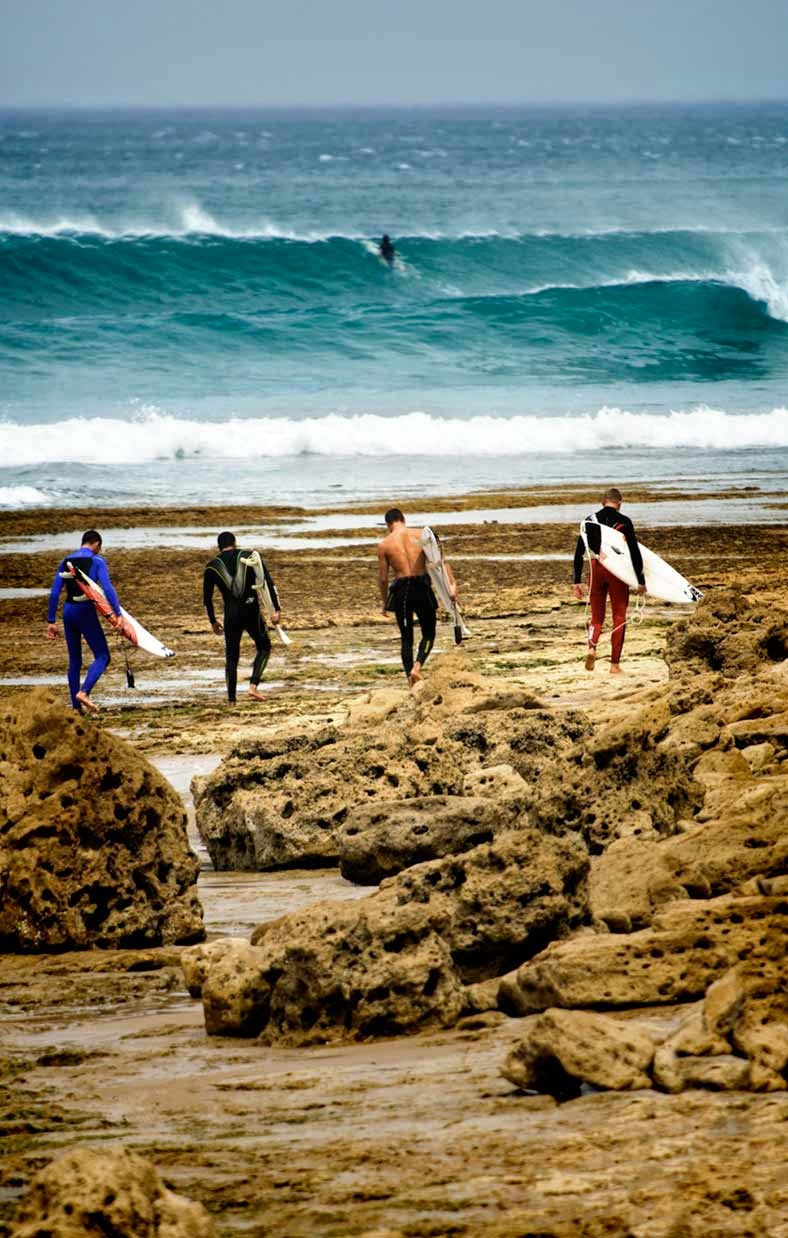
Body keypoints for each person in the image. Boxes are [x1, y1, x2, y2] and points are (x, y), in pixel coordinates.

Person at [377, 508, 456, 686]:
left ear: (388, 524)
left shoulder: (384, 545)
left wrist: (384, 603)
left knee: (406, 639)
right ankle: (417, 667)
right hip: (421, 586)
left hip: (402, 591)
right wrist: (452, 585)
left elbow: (383, 579)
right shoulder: (421, 534)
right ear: (403, 519)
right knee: (429, 633)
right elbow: (440, 561)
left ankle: (410, 680)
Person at [572, 487, 646, 675]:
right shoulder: (624, 521)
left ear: (602, 501)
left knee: (597, 618)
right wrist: (640, 580)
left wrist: (576, 581)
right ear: (619, 503)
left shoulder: (589, 521)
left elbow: (579, 552)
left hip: (596, 569)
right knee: (619, 617)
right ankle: (614, 665)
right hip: (617, 571)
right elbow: (635, 553)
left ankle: (592, 648)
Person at [46, 529, 120, 713]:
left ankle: (76, 708)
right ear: (96, 544)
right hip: (85, 611)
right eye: (99, 547)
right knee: (103, 656)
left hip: (68, 611)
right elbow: (107, 588)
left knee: (75, 661)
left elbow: (55, 592)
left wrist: (51, 621)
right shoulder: (97, 561)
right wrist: (117, 613)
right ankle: (84, 692)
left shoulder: (66, 561)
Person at [203, 531, 280, 704]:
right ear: (235, 542)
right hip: (251, 610)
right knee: (264, 646)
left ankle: (231, 700)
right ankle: (253, 686)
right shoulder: (249, 556)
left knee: (231, 657)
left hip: (231, 615)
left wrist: (213, 621)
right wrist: (276, 609)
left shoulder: (211, 566)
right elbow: (266, 581)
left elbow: (207, 599)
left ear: (219, 546)